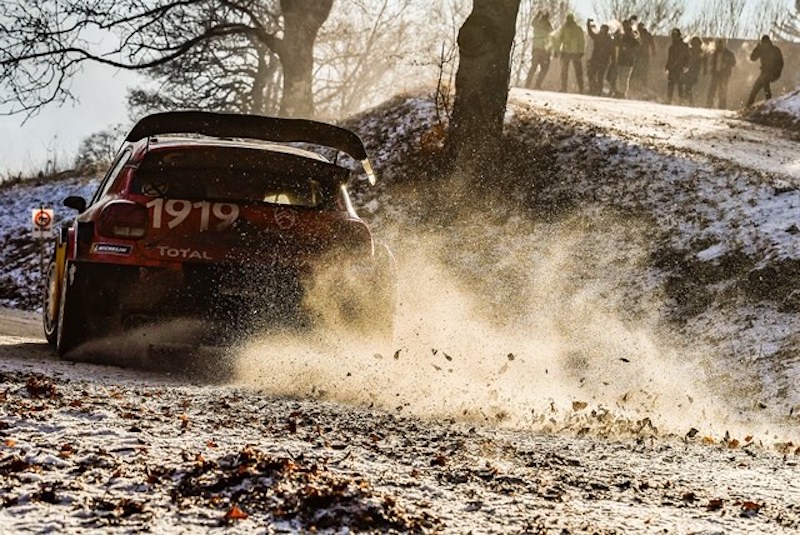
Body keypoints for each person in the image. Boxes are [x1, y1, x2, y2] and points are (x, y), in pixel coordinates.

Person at [746, 35, 784, 106]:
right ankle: (748, 105)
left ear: (769, 42)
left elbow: (781, 63)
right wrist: (757, 49)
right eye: (763, 43)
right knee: (755, 89)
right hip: (764, 73)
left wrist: (776, 71)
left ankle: (768, 99)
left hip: (774, 73)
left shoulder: (775, 50)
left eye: (765, 43)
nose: (764, 45)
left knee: (765, 79)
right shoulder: (761, 50)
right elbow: (752, 58)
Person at [553, 13, 585, 93]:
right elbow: (559, 39)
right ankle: (565, 88)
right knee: (566, 71)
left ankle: (580, 88)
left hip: (573, 52)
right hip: (569, 52)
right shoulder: (568, 28)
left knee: (576, 71)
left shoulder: (576, 29)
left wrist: (581, 51)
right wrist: (556, 50)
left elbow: (581, 41)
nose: (568, 21)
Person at [525, 11, 553, 90]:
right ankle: (537, 85)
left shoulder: (537, 24)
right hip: (544, 51)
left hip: (536, 49)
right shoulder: (548, 27)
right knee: (544, 68)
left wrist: (537, 15)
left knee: (533, 67)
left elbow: (533, 23)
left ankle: (528, 84)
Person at [586, 20, 614, 95]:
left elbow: (591, 33)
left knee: (592, 75)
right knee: (600, 77)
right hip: (604, 61)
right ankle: (598, 91)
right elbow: (612, 52)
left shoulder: (598, 37)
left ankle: (593, 89)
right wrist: (612, 60)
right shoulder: (609, 39)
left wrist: (588, 24)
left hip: (596, 60)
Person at [707, 39, 736, 108]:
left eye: (721, 43)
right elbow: (711, 62)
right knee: (712, 90)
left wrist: (727, 63)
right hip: (716, 74)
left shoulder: (729, 53)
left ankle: (722, 107)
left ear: (724, 44)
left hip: (724, 75)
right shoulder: (715, 52)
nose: (719, 45)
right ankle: (709, 105)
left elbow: (733, 63)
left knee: (722, 91)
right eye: (718, 43)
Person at [614, 18, 640, 98]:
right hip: (623, 59)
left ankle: (622, 93)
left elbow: (637, 44)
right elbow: (617, 43)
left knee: (624, 77)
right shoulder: (624, 35)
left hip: (627, 60)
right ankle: (620, 92)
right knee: (621, 77)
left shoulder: (631, 36)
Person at [631, 21, 656, 96]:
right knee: (635, 71)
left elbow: (652, 44)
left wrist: (653, 51)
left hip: (644, 55)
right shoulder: (636, 33)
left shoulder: (647, 35)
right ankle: (633, 87)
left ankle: (643, 87)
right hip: (637, 55)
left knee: (644, 72)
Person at [665, 28, 689, 104]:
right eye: (673, 35)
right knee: (671, 84)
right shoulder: (672, 47)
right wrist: (667, 66)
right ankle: (669, 99)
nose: (674, 37)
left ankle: (681, 100)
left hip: (680, 67)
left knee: (680, 84)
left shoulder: (684, 46)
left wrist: (686, 65)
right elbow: (669, 58)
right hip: (672, 68)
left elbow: (687, 57)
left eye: (675, 35)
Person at [683, 36, 706, 106]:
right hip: (689, 70)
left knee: (691, 86)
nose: (695, 45)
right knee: (688, 85)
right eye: (694, 43)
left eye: (696, 44)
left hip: (696, 72)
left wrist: (705, 70)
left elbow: (704, 62)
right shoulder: (689, 50)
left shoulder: (701, 52)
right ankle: (690, 100)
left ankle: (690, 100)